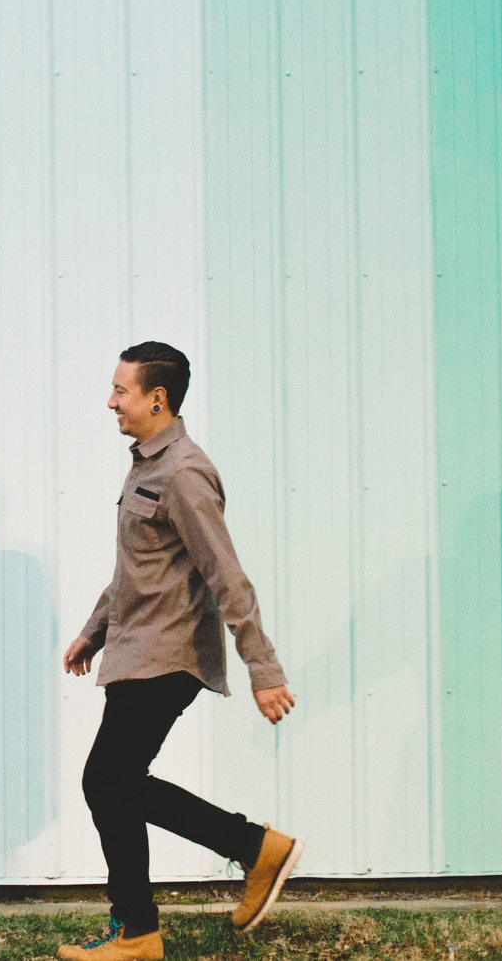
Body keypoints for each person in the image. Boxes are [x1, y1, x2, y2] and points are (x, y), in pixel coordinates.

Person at [55, 342, 303, 961]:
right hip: (137, 646)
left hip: (168, 655)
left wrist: (263, 670)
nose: (111, 401)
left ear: (156, 399)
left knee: (106, 781)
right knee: (113, 783)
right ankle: (248, 856)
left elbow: (227, 576)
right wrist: (96, 629)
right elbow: (138, 569)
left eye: (121, 390)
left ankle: (143, 928)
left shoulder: (184, 472)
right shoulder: (145, 465)